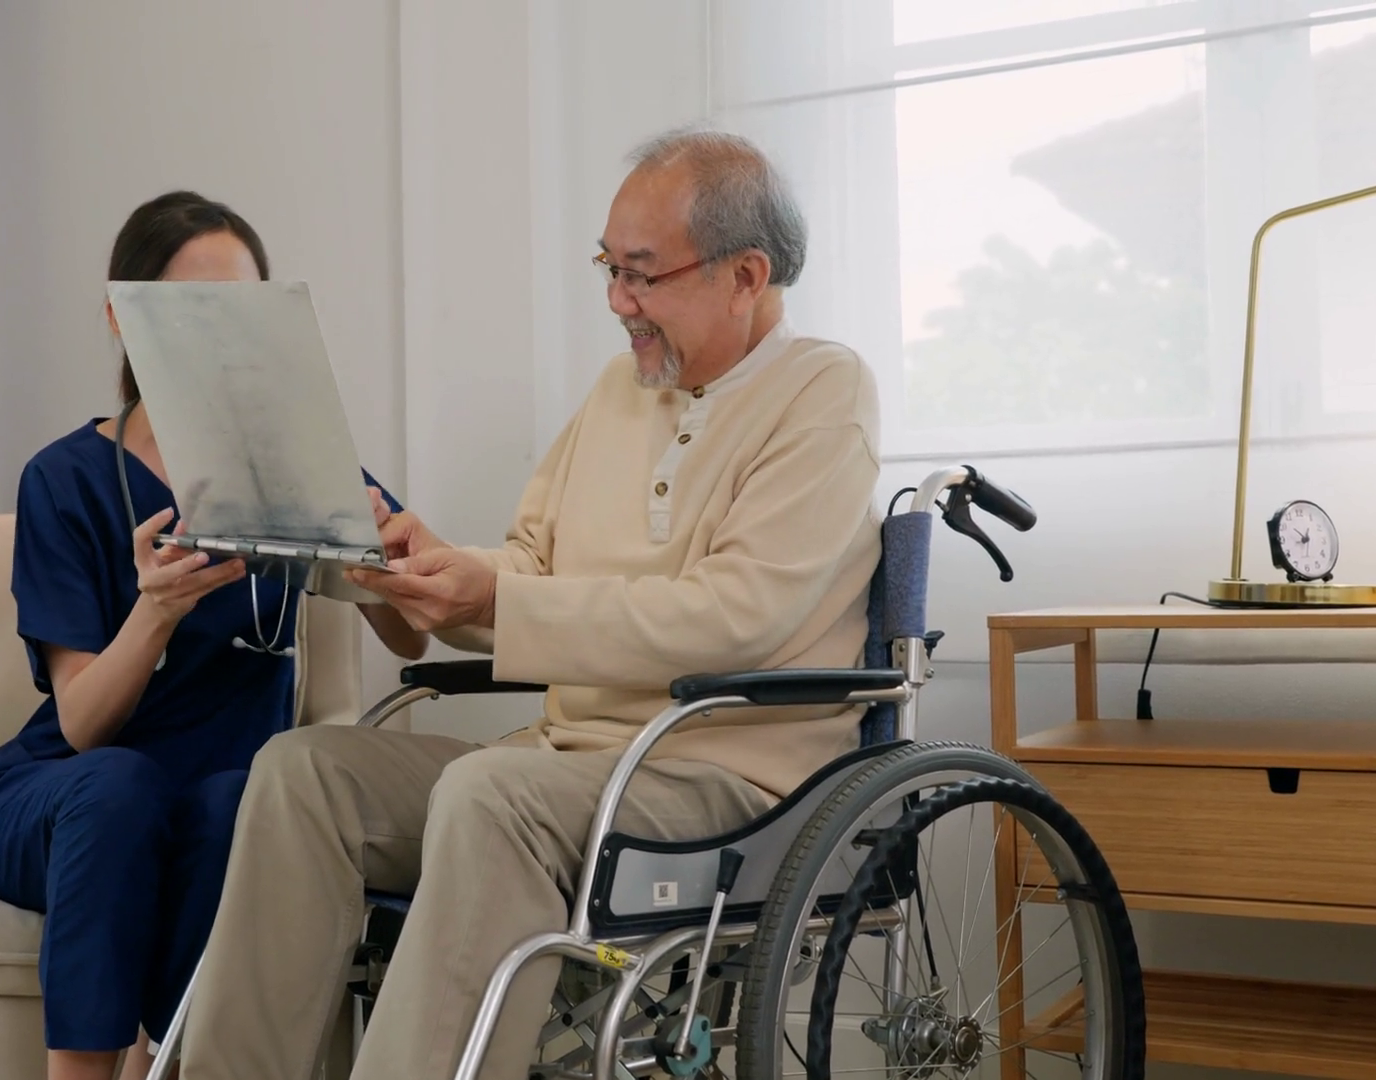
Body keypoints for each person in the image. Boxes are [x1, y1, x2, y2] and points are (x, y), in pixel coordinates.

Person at [175, 128, 884, 1080]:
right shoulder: (622, 388)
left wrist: (501, 601)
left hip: (725, 784)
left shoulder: (823, 392)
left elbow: (733, 617)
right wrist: (419, 568)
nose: (617, 301)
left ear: (745, 276)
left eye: (641, 274)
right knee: (304, 773)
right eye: (608, 267)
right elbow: (527, 566)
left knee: (490, 793)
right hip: (566, 768)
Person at [0, 190, 428, 1080]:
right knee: (122, 788)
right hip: (68, 796)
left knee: (239, 806)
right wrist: (155, 610)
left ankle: (171, 1063)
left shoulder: (293, 464)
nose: (221, 333)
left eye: (243, 309)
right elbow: (84, 725)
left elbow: (411, 642)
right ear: (123, 317)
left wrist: (372, 569)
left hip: (214, 797)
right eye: (191, 307)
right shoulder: (64, 478)